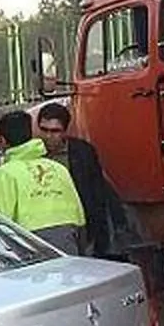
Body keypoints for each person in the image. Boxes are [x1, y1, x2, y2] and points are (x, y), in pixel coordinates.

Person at [36, 101, 129, 258]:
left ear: (65, 131)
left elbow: (97, 194)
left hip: (81, 225)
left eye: (55, 131)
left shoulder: (82, 152)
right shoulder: (33, 154)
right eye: (44, 130)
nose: (48, 136)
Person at [0, 110, 86, 254]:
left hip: (29, 243)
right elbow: (80, 215)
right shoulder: (59, 168)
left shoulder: (5, 173)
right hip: (68, 239)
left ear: (3, 140)